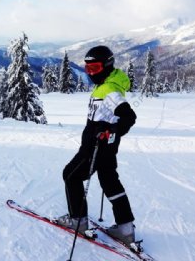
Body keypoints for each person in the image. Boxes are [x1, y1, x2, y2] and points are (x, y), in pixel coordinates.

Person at [56, 45, 137, 245]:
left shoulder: (109, 90)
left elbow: (128, 116)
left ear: (107, 66)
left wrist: (112, 130)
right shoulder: (107, 85)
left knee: (70, 175)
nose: (91, 73)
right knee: (110, 183)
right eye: (88, 69)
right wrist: (112, 131)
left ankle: (78, 221)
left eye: (95, 68)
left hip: (94, 147)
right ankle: (126, 229)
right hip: (107, 148)